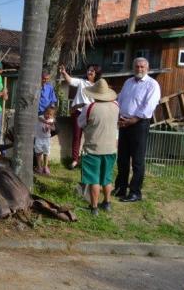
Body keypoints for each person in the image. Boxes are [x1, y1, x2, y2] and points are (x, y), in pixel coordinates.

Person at [114, 57, 161, 202]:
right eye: (137, 66)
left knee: (137, 161)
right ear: (133, 67)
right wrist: (119, 117)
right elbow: (120, 99)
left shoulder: (152, 84)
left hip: (139, 124)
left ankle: (135, 192)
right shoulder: (128, 82)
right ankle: (121, 188)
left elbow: (149, 106)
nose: (139, 69)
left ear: (147, 68)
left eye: (142, 67)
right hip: (124, 123)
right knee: (122, 158)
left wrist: (133, 120)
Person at [78, 79, 119, 216]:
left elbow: (80, 124)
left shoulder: (88, 108)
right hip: (111, 148)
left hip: (93, 148)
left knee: (93, 178)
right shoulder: (116, 106)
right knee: (107, 177)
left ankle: (94, 207)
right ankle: (107, 203)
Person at [59, 64, 101, 169]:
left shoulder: (98, 85)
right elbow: (70, 80)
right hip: (78, 112)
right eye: (89, 70)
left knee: (91, 137)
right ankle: (75, 160)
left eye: (92, 71)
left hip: (91, 113)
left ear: (96, 74)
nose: (89, 72)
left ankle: (88, 159)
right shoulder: (82, 82)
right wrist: (64, 72)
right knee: (77, 136)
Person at [34, 105, 56, 175]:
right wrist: (47, 122)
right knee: (38, 152)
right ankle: (39, 167)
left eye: (50, 115)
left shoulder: (51, 120)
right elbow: (40, 119)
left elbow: (54, 129)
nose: (48, 116)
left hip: (47, 139)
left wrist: (50, 126)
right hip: (39, 138)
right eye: (47, 113)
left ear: (52, 116)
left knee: (46, 153)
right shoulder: (41, 117)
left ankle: (45, 166)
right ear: (44, 112)